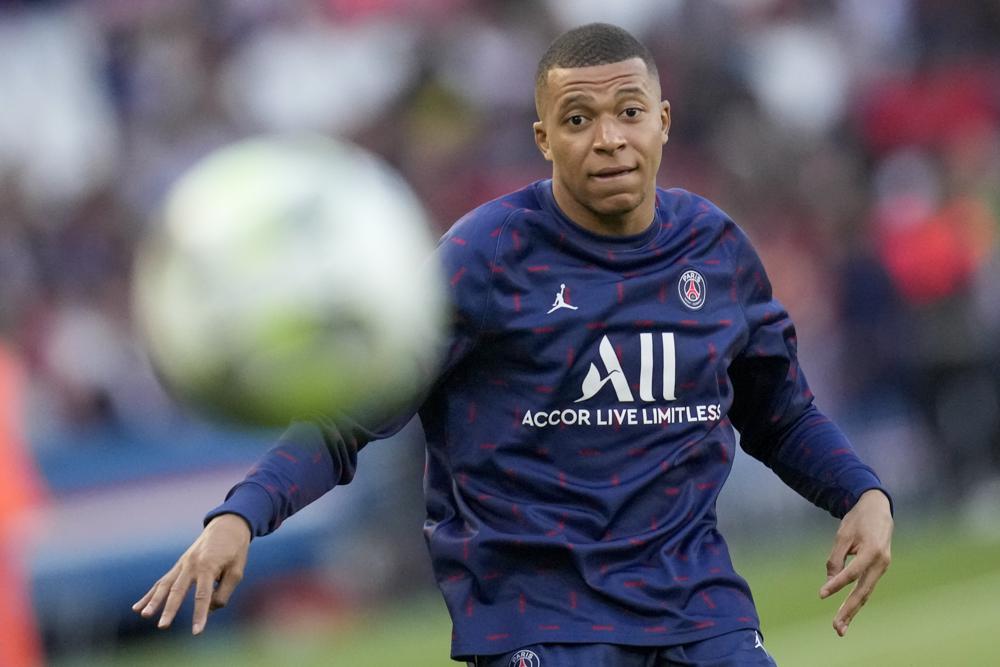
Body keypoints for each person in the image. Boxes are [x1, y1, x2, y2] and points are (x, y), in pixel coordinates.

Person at [133, 23, 894, 666]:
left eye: (630, 112)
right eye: (578, 119)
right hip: (541, 624)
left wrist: (859, 492)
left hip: (701, 611)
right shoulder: (483, 259)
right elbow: (348, 416)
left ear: (662, 120)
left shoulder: (715, 250)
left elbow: (779, 413)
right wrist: (241, 515)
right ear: (543, 138)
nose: (609, 139)